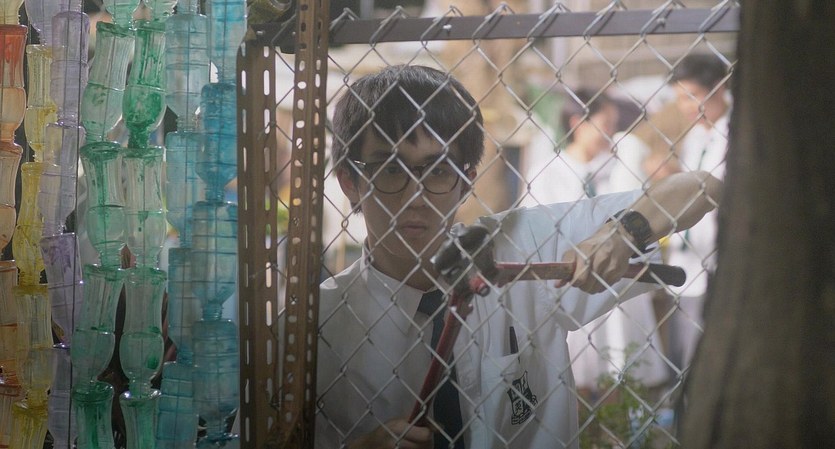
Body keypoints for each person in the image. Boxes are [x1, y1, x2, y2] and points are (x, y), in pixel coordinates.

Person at [316, 64, 721, 449]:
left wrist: (622, 232)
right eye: (389, 169)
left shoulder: (520, 244)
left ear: (466, 180)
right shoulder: (317, 327)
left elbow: (702, 188)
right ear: (350, 181)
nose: (415, 196)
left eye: (437, 170)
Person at [664, 53, 730, 371]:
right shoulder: (695, 137)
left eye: (693, 95)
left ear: (719, 88)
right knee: (684, 359)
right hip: (685, 266)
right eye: (680, 98)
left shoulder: (737, 136)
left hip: (719, 263)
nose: (686, 106)